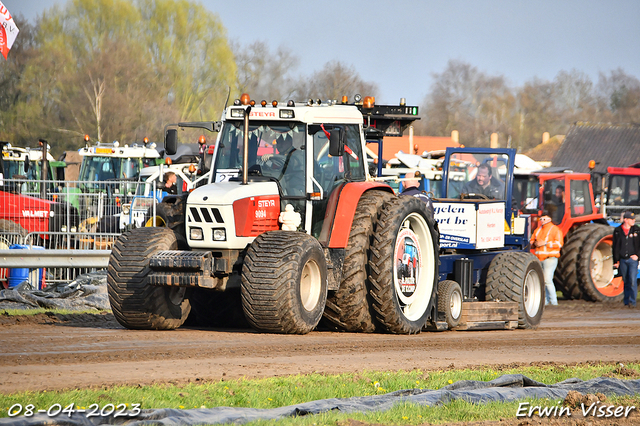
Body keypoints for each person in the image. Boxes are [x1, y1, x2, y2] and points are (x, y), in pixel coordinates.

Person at [530, 211, 563, 306]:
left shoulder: (555, 230)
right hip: (540, 258)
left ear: (549, 219)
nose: (542, 221)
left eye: (544, 219)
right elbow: (532, 240)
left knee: (547, 280)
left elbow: (559, 244)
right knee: (543, 280)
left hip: (550, 258)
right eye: (541, 219)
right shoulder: (538, 230)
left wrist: (545, 243)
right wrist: (534, 243)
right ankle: (546, 301)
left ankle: (554, 302)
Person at [612, 211, 640, 308]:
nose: (634, 221)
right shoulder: (617, 231)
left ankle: (633, 302)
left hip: (633, 260)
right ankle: (626, 301)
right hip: (623, 260)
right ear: (625, 220)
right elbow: (615, 247)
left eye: (633, 219)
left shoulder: (637, 230)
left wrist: (638, 255)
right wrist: (616, 260)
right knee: (626, 280)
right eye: (631, 219)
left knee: (632, 280)